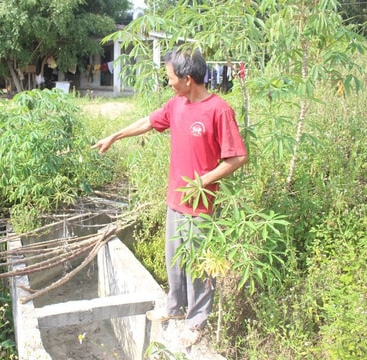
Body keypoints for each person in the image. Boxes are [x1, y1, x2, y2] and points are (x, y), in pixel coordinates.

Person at [91, 48, 248, 347]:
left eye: (171, 78)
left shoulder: (219, 110)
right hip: (175, 199)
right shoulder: (177, 104)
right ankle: (175, 309)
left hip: (201, 206)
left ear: (188, 79)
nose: (169, 84)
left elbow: (237, 157)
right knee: (174, 259)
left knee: (198, 264)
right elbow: (148, 122)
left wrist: (203, 180)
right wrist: (114, 136)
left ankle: (196, 321)